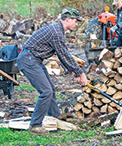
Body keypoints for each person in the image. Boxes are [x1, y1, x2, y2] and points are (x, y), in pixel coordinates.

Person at [17, 7, 87, 135]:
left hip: (34, 60)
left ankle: (55, 117)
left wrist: (74, 71)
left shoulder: (57, 30)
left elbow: (63, 55)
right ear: (68, 19)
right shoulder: (56, 32)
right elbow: (64, 54)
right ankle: (35, 125)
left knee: (51, 89)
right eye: (76, 21)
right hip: (28, 60)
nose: (77, 24)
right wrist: (80, 73)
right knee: (46, 91)